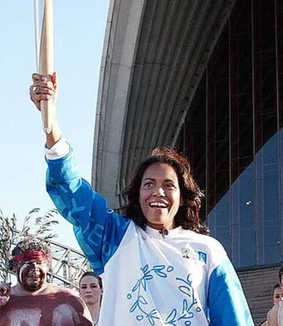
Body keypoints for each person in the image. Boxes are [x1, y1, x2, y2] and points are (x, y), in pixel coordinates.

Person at [29, 73, 253, 325]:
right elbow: (71, 191)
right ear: (138, 194)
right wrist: (51, 120)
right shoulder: (115, 237)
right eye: (149, 184)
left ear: (182, 196)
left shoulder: (208, 250)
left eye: (168, 185)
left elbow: (234, 319)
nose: (158, 192)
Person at [0, 238, 92, 326]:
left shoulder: (69, 300)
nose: (34, 269)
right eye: (28, 263)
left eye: (39, 263)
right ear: (15, 267)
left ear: (47, 266)